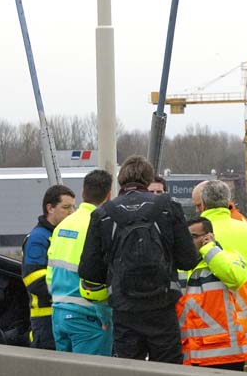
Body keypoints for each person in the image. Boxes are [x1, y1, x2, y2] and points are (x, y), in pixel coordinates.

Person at [78, 155, 199, 363]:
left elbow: (89, 271)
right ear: (148, 179)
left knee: (129, 368)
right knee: (168, 368)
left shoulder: (103, 213)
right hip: (162, 306)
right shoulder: (168, 207)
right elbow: (188, 260)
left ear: (121, 181)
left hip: (124, 308)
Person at [48, 170, 114, 356]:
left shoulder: (63, 225)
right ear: (109, 195)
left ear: (83, 193)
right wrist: (105, 316)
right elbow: (96, 276)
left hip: (59, 312)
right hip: (88, 316)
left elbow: (50, 272)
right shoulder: (100, 224)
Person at [194, 179, 247, 336]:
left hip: (204, 323)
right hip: (242, 323)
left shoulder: (195, 235)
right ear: (227, 201)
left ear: (203, 203)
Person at [177, 216, 247, 370]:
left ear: (209, 236)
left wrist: (210, 249)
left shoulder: (229, 258)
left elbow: (234, 278)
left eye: (193, 236)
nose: (188, 241)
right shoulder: (179, 266)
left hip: (225, 355)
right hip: (189, 355)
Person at [22, 184, 76, 349]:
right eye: (66, 207)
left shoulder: (64, 235)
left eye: (74, 207)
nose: (72, 212)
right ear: (50, 208)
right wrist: (71, 289)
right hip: (46, 318)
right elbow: (34, 280)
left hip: (65, 314)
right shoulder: (38, 238)